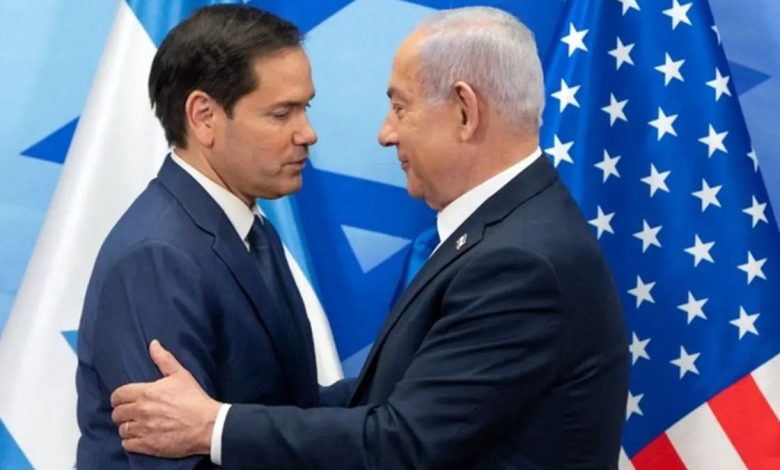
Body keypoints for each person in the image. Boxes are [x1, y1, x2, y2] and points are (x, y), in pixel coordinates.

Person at [111, 7, 629, 469]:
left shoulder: (520, 261)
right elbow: (390, 398)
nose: (386, 133)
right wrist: (223, 421)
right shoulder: (510, 230)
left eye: (400, 107)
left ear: (465, 112)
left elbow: (402, 441)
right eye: (282, 112)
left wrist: (213, 426)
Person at [76, 5, 323, 468]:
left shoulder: (248, 228)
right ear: (204, 116)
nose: (307, 133)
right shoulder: (158, 257)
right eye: (281, 113)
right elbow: (171, 459)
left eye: (305, 108)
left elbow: (291, 403)